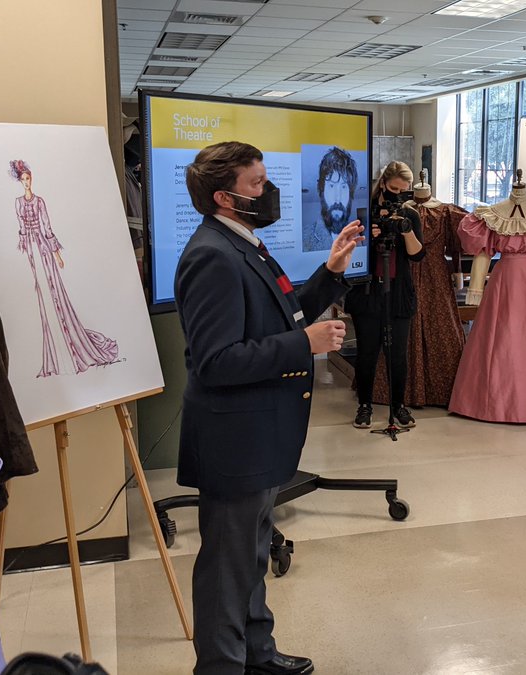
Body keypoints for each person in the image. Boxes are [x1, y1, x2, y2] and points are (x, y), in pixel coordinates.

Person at [175, 141, 364, 675]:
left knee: (252, 554)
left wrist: (330, 270)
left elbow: (282, 313)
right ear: (224, 197)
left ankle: (256, 654)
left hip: (256, 436)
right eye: (256, 185)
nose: (268, 192)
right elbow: (215, 361)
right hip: (235, 441)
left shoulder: (244, 243)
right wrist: (305, 344)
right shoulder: (212, 254)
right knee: (226, 568)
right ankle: (221, 667)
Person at [9, 159, 119, 377]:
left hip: (42, 247)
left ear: (32, 179)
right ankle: (54, 348)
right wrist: (22, 251)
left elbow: (47, 226)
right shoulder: (18, 202)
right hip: (30, 249)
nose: (26, 183)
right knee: (42, 294)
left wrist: (56, 253)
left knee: (53, 291)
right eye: (23, 180)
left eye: (28, 179)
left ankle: (70, 342)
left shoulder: (40, 202)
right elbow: (21, 227)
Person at [345, 161, 425, 429]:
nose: (398, 196)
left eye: (405, 192)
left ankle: (399, 406)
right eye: (393, 189)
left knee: (397, 353)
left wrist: (405, 230)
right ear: (382, 183)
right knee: (367, 352)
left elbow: (417, 255)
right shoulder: (362, 211)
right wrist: (368, 235)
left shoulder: (409, 215)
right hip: (367, 291)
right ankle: (364, 405)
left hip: (398, 292)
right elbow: (346, 250)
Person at [302, 146, 359, 252]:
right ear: (321, 189)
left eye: (343, 187)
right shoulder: (305, 238)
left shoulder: (357, 237)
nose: (338, 198)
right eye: (332, 186)